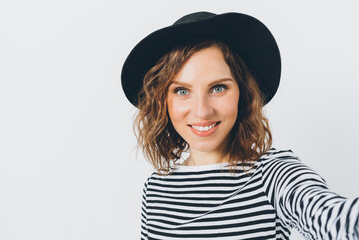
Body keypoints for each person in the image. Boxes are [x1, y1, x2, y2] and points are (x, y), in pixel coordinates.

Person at [121, 11, 359, 240]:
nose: (202, 110)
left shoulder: (273, 175)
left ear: (242, 94)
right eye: (182, 91)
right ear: (163, 101)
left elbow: (332, 217)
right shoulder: (155, 190)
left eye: (218, 88)